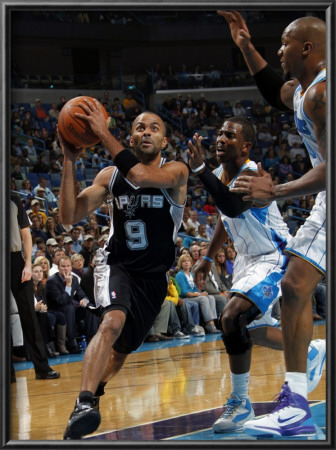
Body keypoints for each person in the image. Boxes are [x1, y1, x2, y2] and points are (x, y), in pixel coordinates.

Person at [218, 10, 327, 437]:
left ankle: (296, 403)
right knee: (295, 286)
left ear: (307, 48)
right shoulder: (302, 91)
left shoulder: (323, 95)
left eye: (283, 44)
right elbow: (272, 90)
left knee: (295, 285)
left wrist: (276, 190)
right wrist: (246, 46)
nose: (278, 50)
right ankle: (297, 400)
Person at [188, 111, 326, 437]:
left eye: (230, 136)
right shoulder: (223, 174)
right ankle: (310, 351)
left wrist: (198, 169)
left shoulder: (252, 174)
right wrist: (208, 256)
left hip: (273, 257)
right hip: (248, 261)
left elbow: (233, 206)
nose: (221, 139)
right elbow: (224, 217)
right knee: (258, 333)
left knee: (231, 317)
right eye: (220, 134)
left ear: (246, 147)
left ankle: (240, 402)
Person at [58, 105, 189, 439]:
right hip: (117, 265)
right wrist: (70, 160)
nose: (146, 131)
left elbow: (141, 177)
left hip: (155, 277)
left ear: (164, 139)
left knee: (120, 354)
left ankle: (95, 392)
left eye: (154, 127)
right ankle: (84, 402)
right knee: (112, 322)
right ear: (130, 136)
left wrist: (102, 132)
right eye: (139, 127)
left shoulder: (176, 171)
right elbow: (68, 216)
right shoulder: (110, 176)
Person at [10, 194, 60, 381]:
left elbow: (25, 234)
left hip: (15, 259)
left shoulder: (13, 200)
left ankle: (42, 368)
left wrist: (28, 264)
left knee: (29, 315)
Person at [45, 256, 99, 353]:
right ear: (58, 268)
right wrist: (68, 285)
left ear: (71, 267)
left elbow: (82, 294)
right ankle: (71, 342)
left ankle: (92, 341)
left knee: (89, 307)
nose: (66, 269)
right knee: (69, 308)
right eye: (63, 266)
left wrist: (84, 300)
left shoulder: (74, 279)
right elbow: (61, 301)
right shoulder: (52, 281)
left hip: (71, 309)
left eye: (68, 266)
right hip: (57, 310)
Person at [175, 253, 220, 334]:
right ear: (180, 264)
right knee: (203, 299)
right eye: (184, 261)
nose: (186, 263)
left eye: (188, 261)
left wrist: (202, 293)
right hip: (185, 298)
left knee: (211, 297)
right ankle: (209, 324)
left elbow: (196, 289)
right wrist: (199, 295)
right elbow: (184, 292)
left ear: (191, 263)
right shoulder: (180, 275)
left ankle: (213, 323)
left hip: (194, 296)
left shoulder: (192, 274)